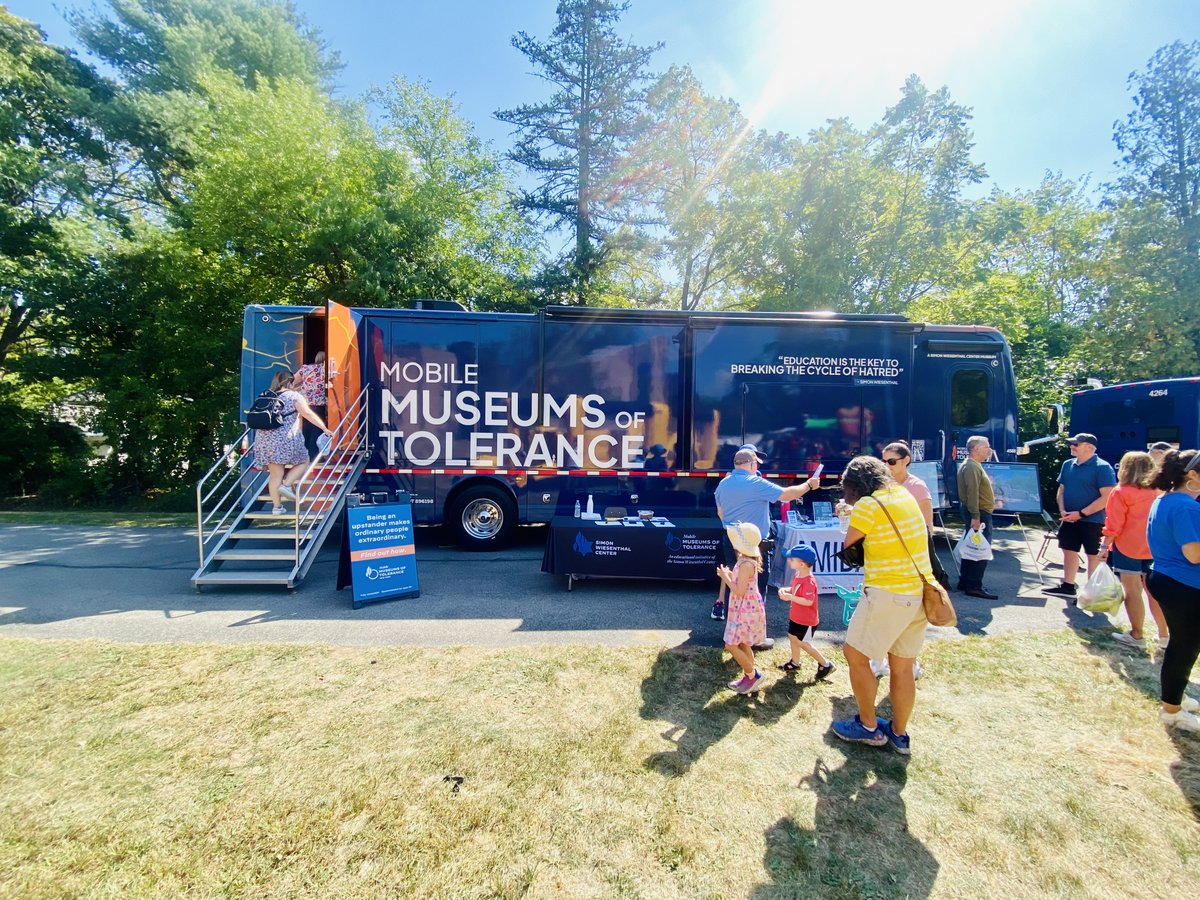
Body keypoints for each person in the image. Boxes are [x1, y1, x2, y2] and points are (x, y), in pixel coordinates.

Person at [831, 456, 934, 754]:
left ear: (855, 485)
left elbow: (850, 546)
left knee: (855, 653)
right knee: (902, 666)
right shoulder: (902, 494)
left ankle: (868, 726)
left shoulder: (867, 506)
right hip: (918, 591)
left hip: (888, 592)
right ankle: (899, 735)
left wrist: (850, 516)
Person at [712, 444, 820, 626]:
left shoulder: (724, 483)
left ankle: (734, 627)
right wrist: (809, 484)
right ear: (752, 464)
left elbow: (720, 513)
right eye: (757, 464)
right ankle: (753, 632)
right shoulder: (755, 483)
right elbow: (786, 495)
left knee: (735, 582)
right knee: (757, 587)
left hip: (731, 540)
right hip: (755, 546)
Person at [1144, 450, 1200, 732]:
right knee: (1184, 648)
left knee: (1183, 646)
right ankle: (1171, 710)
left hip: (1167, 579)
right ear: (1192, 475)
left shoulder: (1166, 499)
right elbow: (1194, 553)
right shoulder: (1187, 507)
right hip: (1185, 584)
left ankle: (1174, 699)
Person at [1098, 451, 1166, 649]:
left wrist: (1104, 546)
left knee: (1132, 592)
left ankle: (1137, 635)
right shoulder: (1159, 491)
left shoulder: (1120, 492)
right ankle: (1164, 636)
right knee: (1154, 593)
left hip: (1128, 547)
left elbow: (1114, 524)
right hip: (1154, 548)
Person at [1044, 433, 1117, 603]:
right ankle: (1068, 586)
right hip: (1069, 518)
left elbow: (1106, 497)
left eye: (1076, 444)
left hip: (1093, 520)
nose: (1072, 446)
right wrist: (1062, 510)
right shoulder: (1067, 464)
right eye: (1072, 444)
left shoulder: (1102, 467)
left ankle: (1091, 593)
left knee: (1093, 555)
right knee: (1068, 550)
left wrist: (1082, 513)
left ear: (1089, 447)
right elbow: (1061, 490)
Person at [254, 370, 333, 515]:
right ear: (291, 381)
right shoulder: (294, 396)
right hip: (285, 439)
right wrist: (324, 428)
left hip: (264, 440)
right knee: (304, 461)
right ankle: (287, 484)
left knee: (275, 474)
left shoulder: (266, 395)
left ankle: (277, 507)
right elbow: (308, 414)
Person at [716, 522, 768, 694]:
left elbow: (738, 590)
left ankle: (753, 676)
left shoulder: (746, 564)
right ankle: (749, 677)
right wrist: (731, 575)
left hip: (745, 611)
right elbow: (742, 583)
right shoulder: (745, 560)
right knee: (744, 643)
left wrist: (725, 577)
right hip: (744, 609)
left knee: (731, 645)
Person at [776, 544, 836, 681]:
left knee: (803, 643)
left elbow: (808, 601)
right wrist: (787, 590)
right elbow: (796, 590)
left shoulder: (809, 581)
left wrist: (790, 597)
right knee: (792, 637)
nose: (789, 561)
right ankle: (795, 662)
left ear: (802, 564)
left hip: (806, 620)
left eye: (792, 559)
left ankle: (825, 664)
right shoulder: (798, 575)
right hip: (796, 617)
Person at [955, 435, 998, 600]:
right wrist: (975, 516)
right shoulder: (972, 466)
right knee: (979, 550)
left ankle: (965, 581)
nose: (989, 450)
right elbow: (973, 492)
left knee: (971, 545)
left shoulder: (973, 465)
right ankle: (974, 585)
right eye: (986, 446)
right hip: (979, 513)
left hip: (978, 512)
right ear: (976, 448)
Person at [292, 351, 329, 461]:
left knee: (307, 428)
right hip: (318, 403)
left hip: (305, 403)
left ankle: (305, 453)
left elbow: (292, 381)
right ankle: (314, 455)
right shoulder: (325, 370)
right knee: (317, 429)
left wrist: (298, 390)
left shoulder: (306, 369)